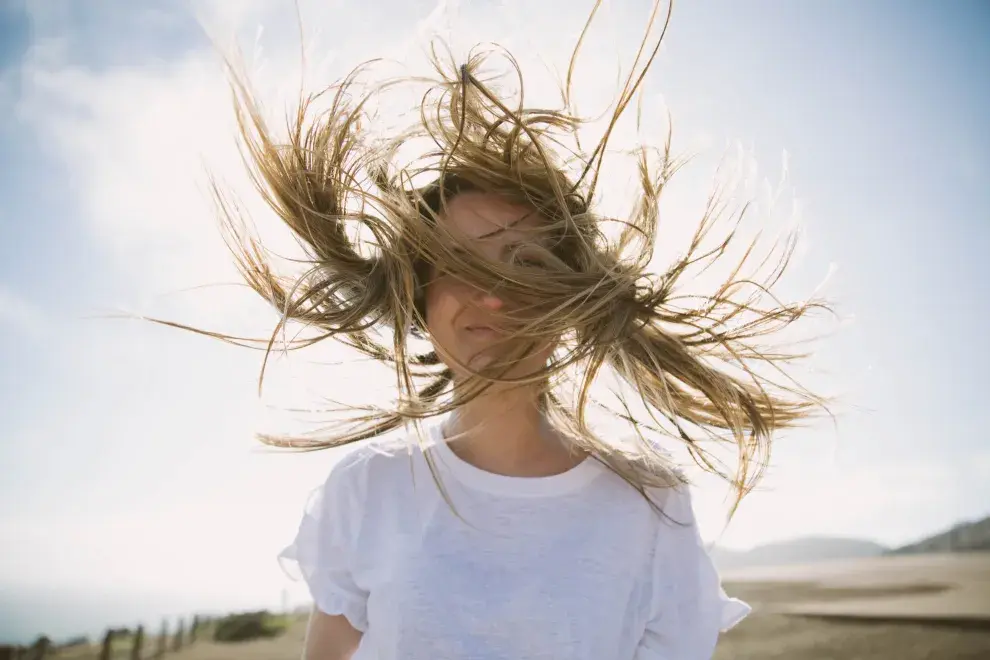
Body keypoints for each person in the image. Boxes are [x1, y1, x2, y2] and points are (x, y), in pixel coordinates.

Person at [179, 1, 828, 658]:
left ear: (568, 300)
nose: (492, 298)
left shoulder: (651, 507)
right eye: (459, 265)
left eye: (525, 265)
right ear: (420, 301)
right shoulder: (366, 489)